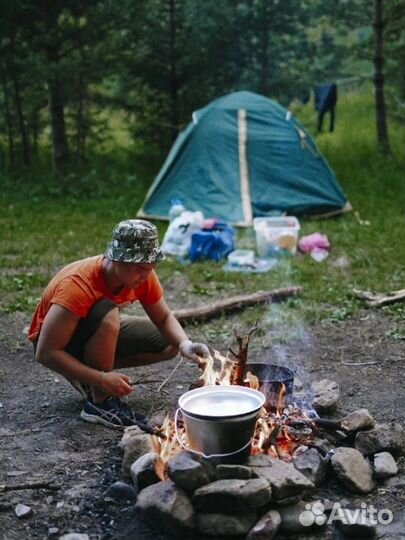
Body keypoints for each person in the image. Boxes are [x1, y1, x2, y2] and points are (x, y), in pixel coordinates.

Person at [28, 219, 210, 429]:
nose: (146, 275)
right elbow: (46, 352)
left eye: (151, 267)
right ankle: (100, 404)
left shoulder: (142, 275)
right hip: (59, 343)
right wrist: (102, 379)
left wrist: (184, 344)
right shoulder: (78, 285)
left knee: (169, 343)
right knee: (108, 312)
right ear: (117, 259)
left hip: (91, 330)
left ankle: (89, 375)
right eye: (140, 268)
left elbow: (164, 318)